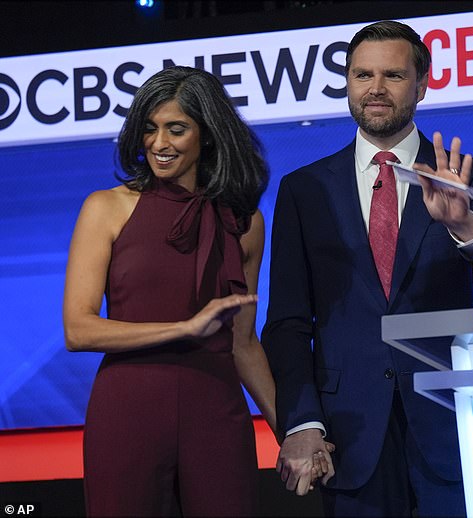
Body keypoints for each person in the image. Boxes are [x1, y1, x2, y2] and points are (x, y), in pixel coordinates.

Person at [261, 20, 473, 517]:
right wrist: (301, 423)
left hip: (449, 425)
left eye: (393, 76)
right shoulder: (305, 190)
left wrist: (465, 223)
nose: (376, 89)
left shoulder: (466, 175)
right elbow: (288, 323)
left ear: (422, 85)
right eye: (362, 75)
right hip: (349, 433)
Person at [63, 65, 309, 517]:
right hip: (128, 409)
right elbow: (79, 329)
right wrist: (185, 327)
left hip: (215, 409)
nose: (159, 143)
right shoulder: (105, 208)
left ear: (207, 135)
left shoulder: (245, 222)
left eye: (176, 129)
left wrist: (291, 433)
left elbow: (242, 342)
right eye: (150, 129)